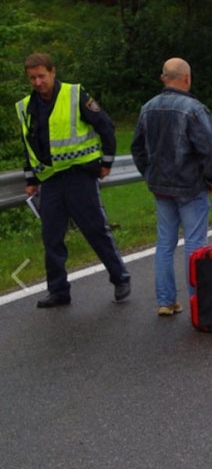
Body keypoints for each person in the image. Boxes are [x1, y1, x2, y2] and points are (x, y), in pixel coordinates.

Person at [16, 53, 131, 309]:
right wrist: (31, 179)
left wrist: (107, 162)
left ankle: (120, 277)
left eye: (41, 76)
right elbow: (29, 147)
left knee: (96, 230)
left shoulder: (75, 94)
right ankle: (58, 291)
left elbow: (106, 126)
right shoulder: (26, 107)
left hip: (80, 176)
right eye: (32, 78)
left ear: (53, 72)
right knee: (52, 237)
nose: (37, 82)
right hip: (51, 181)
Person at [132, 57, 212, 316]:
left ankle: (165, 300)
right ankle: (198, 300)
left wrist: (149, 174)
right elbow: (209, 148)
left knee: (164, 243)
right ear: (187, 78)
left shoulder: (147, 108)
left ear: (164, 78)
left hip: (161, 186)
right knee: (195, 243)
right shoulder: (194, 109)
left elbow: (137, 147)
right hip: (190, 186)